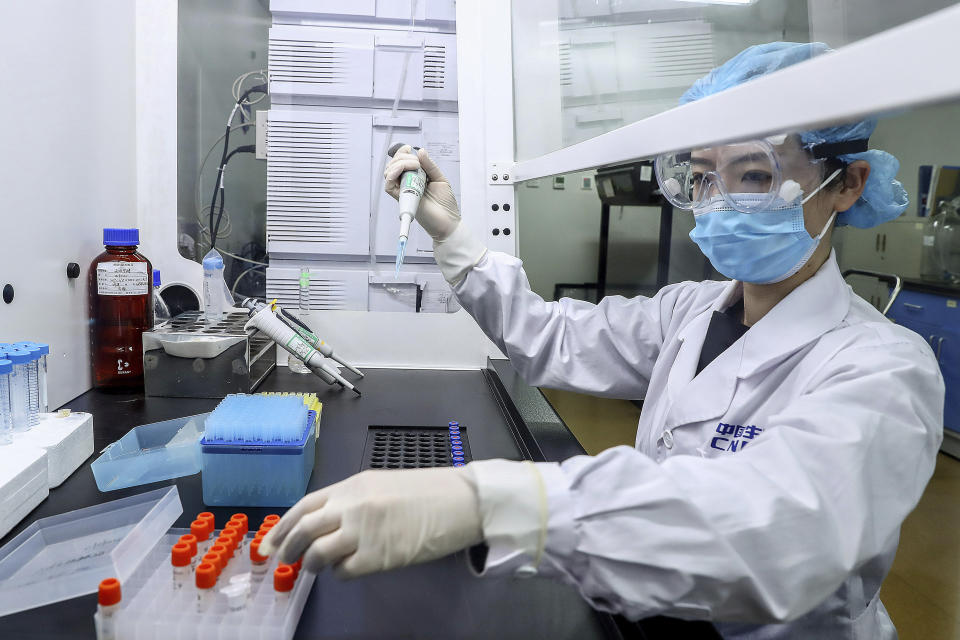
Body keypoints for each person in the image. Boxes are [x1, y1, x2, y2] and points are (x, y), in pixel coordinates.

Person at [259, 42, 944, 638]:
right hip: (650, 616)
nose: (719, 201)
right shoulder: (691, 310)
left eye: (756, 175)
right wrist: (456, 239)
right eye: (703, 175)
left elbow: (778, 528)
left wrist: (491, 503)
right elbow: (556, 337)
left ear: (847, 184)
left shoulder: (884, 369)